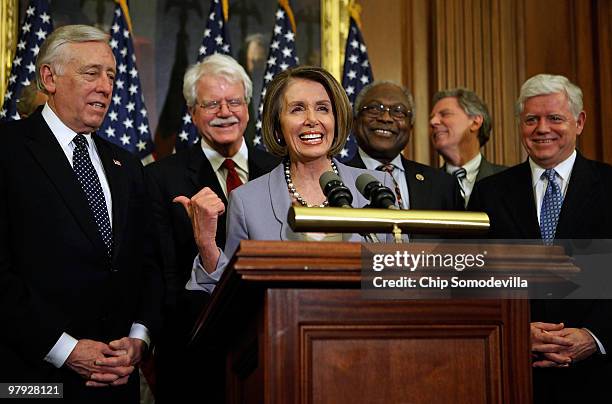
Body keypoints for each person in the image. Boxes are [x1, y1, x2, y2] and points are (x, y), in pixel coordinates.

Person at [0, 25, 162, 403]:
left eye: (111, 76)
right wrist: (65, 349)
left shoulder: (127, 165)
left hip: (116, 382)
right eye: (91, 73)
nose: (105, 87)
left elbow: (149, 262)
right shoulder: (7, 151)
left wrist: (140, 337)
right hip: (31, 382)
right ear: (48, 78)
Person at [177, 66, 394, 292]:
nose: (312, 119)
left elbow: (404, 281)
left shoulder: (377, 187)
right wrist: (207, 246)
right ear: (278, 126)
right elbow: (231, 296)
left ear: (336, 120)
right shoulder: (246, 202)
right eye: (297, 109)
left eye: (322, 108)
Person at [469, 74, 612, 403]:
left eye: (555, 118)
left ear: (579, 122)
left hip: (599, 376)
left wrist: (595, 336)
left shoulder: (609, 186)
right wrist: (516, 332)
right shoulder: (489, 193)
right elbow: (472, 279)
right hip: (515, 375)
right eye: (532, 119)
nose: (542, 128)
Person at [145, 53, 277, 402]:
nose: (225, 112)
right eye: (212, 104)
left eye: (234, 101)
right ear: (192, 112)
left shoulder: (281, 171)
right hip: (195, 353)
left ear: (248, 108)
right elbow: (161, 276)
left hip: (274, 344)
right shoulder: (161, 178)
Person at [346, 81, 463, 212]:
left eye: (398, 111)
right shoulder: (338, 179)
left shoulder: (443, 185)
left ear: (410, 126)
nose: (386, 118)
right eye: (374, 108)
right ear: (355, 122)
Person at [429, 88, 506, 206]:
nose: (433, 122)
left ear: (475, 122)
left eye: (445, 114)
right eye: (431, 117)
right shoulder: (426, 184)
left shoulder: (507, 180)